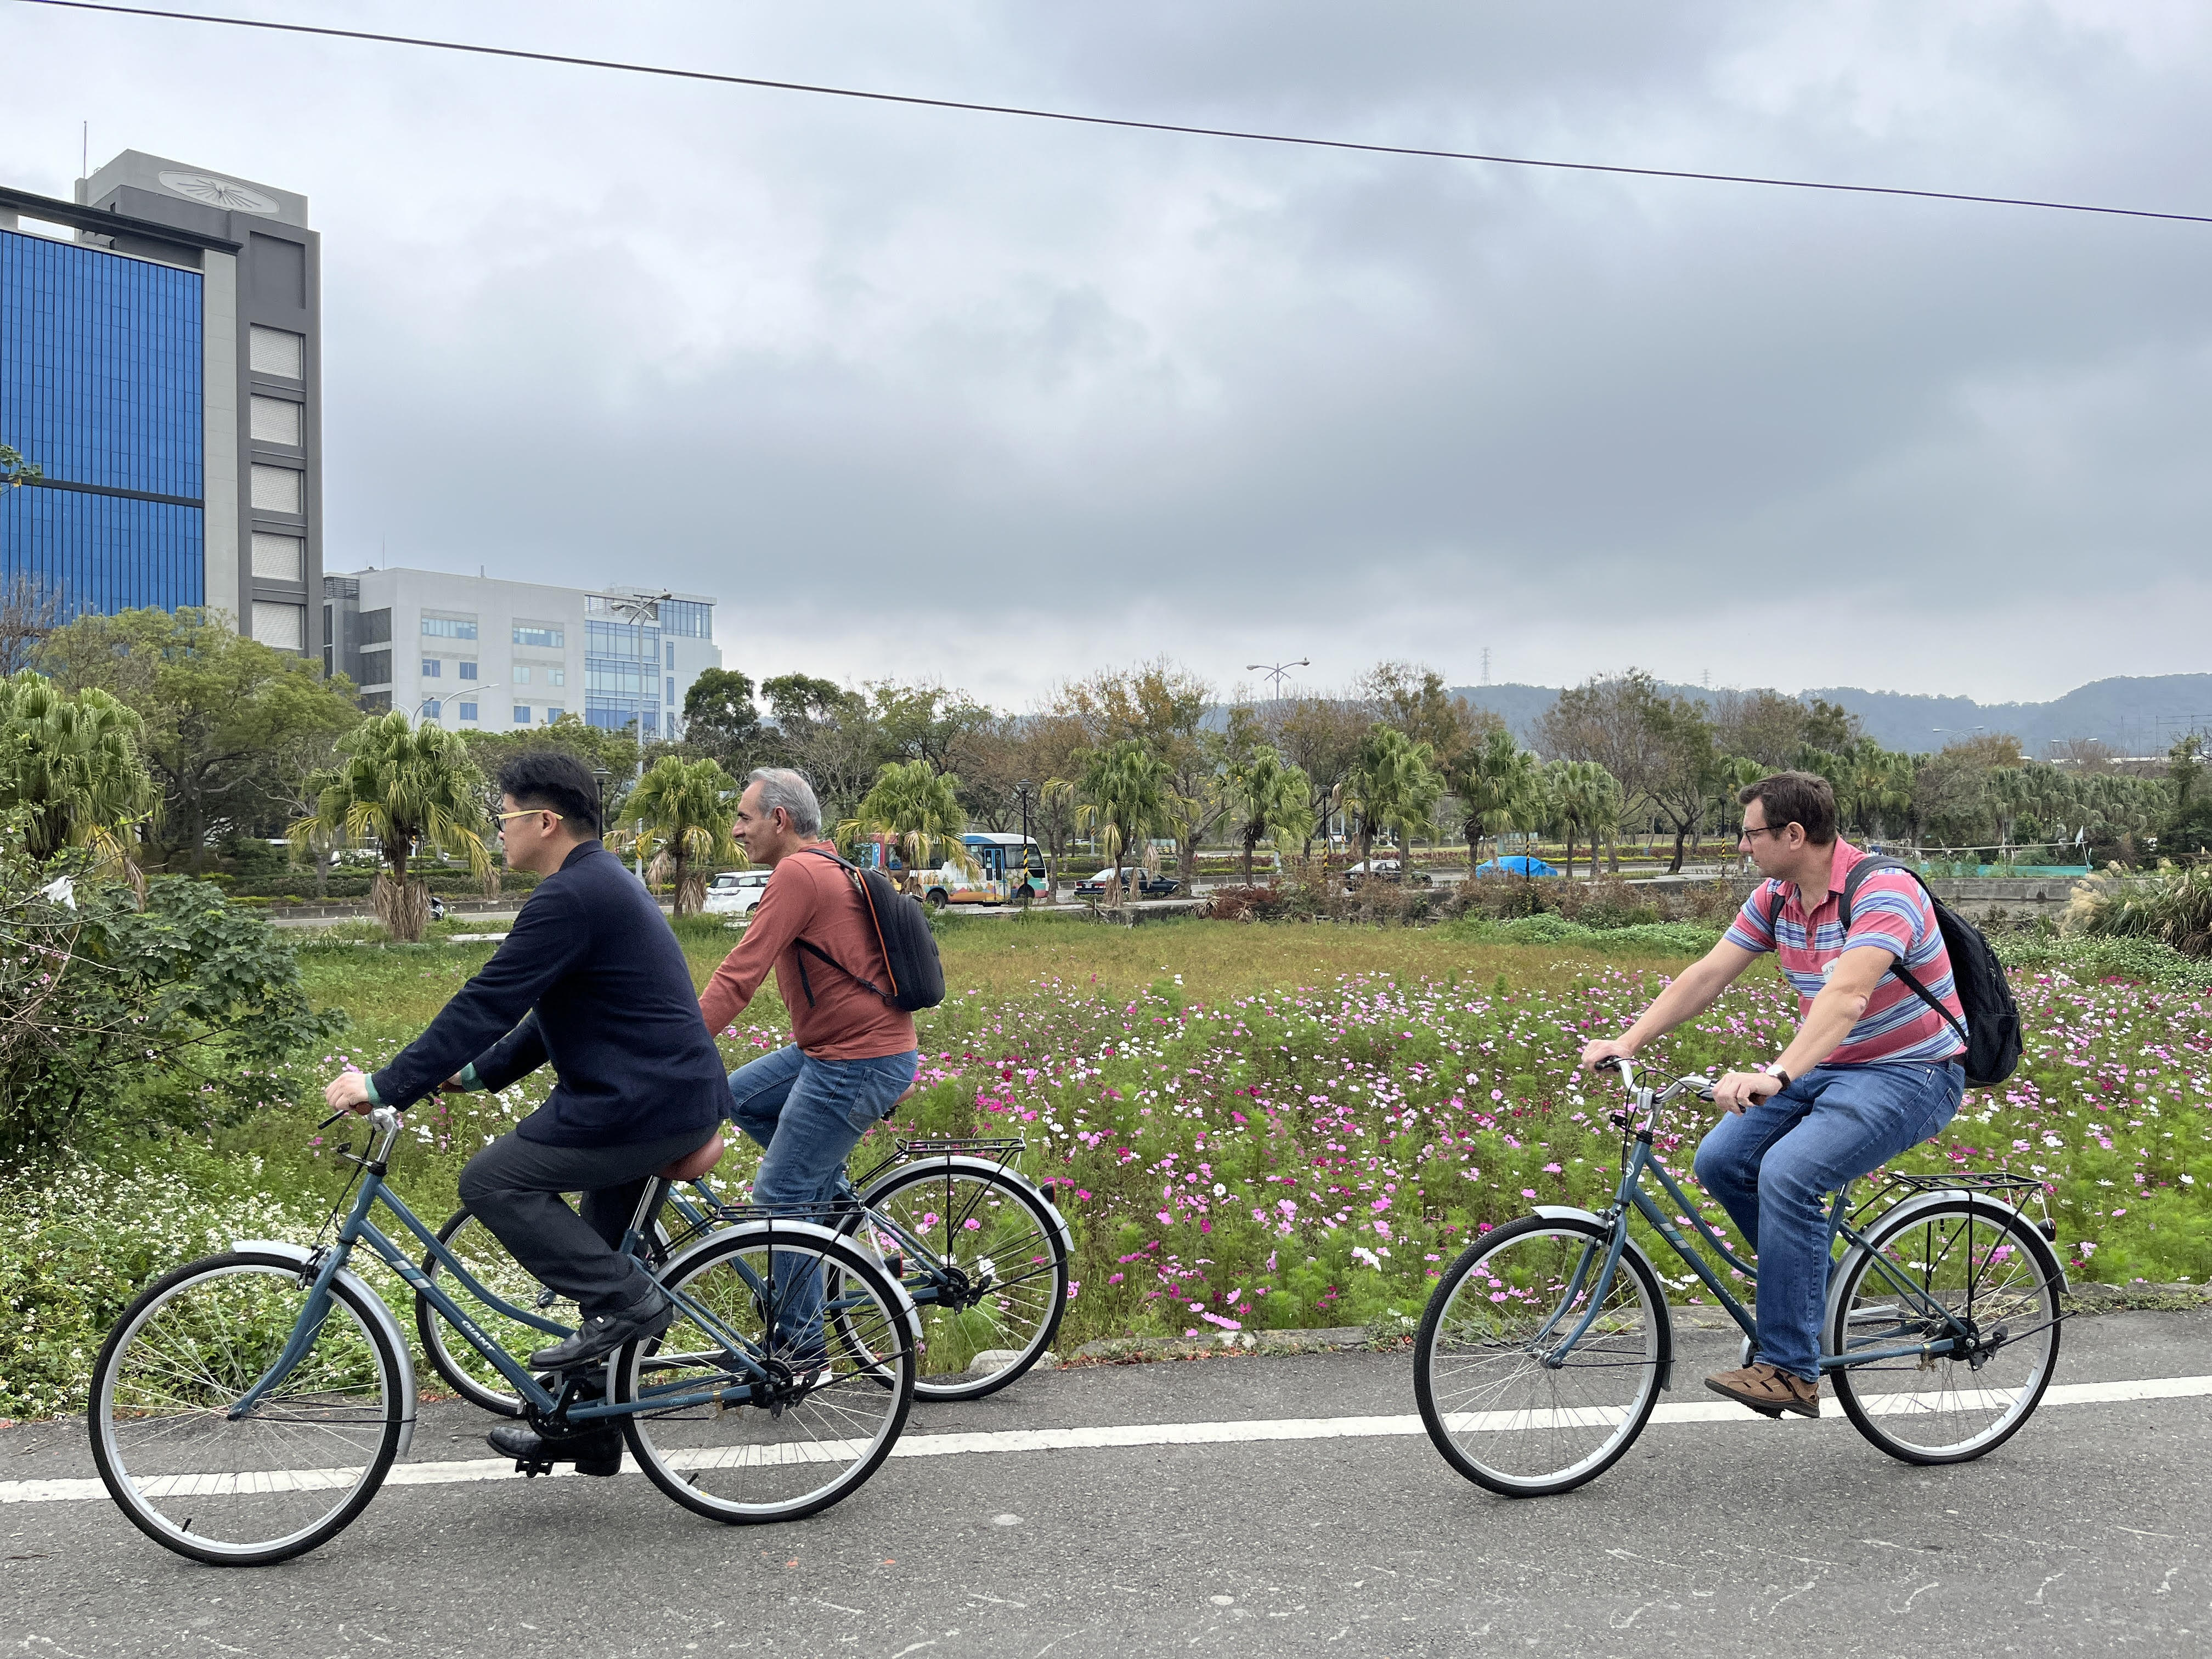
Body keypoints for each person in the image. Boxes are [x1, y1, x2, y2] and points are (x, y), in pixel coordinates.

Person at [323, 749, 728, 1475]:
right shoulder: (597, 884)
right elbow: (546, 1019)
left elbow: (488, 1001)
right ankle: (591, 1428)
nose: (498, 832)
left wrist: (385, 1085)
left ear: (546, 821)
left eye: (503, 818)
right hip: (656, 1098)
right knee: (601, 1269)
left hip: (640, 1107)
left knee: (494, 1183)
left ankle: (637, 1303)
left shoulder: (573, 896)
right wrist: (474, 1076)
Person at [1576, 770, 1965, 1420]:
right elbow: (1707, 975)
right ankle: (1826, 1293)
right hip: (1830, 1064)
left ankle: (1791, 1367)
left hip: (1912, 1071)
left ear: (1794, 834)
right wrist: (1629, 1041)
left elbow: (1846, 997)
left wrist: (1778, 1074)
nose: (1741, 845)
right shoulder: (1776, 898)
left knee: (1787, 1174)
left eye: (1750, 833)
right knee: (1722, 1161)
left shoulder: (1884, 892)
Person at [698, 768, 922, 1365]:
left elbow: (739, 975)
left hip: (857, 1060)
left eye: (744, 818)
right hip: (836, 1051)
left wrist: (677, 1049)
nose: (736, 830)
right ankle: (842, 1220)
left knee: (779, 1192)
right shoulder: (827, 864)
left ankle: (798, 1348)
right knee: (735, 1098)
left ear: (780, 820)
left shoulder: (799, 872)